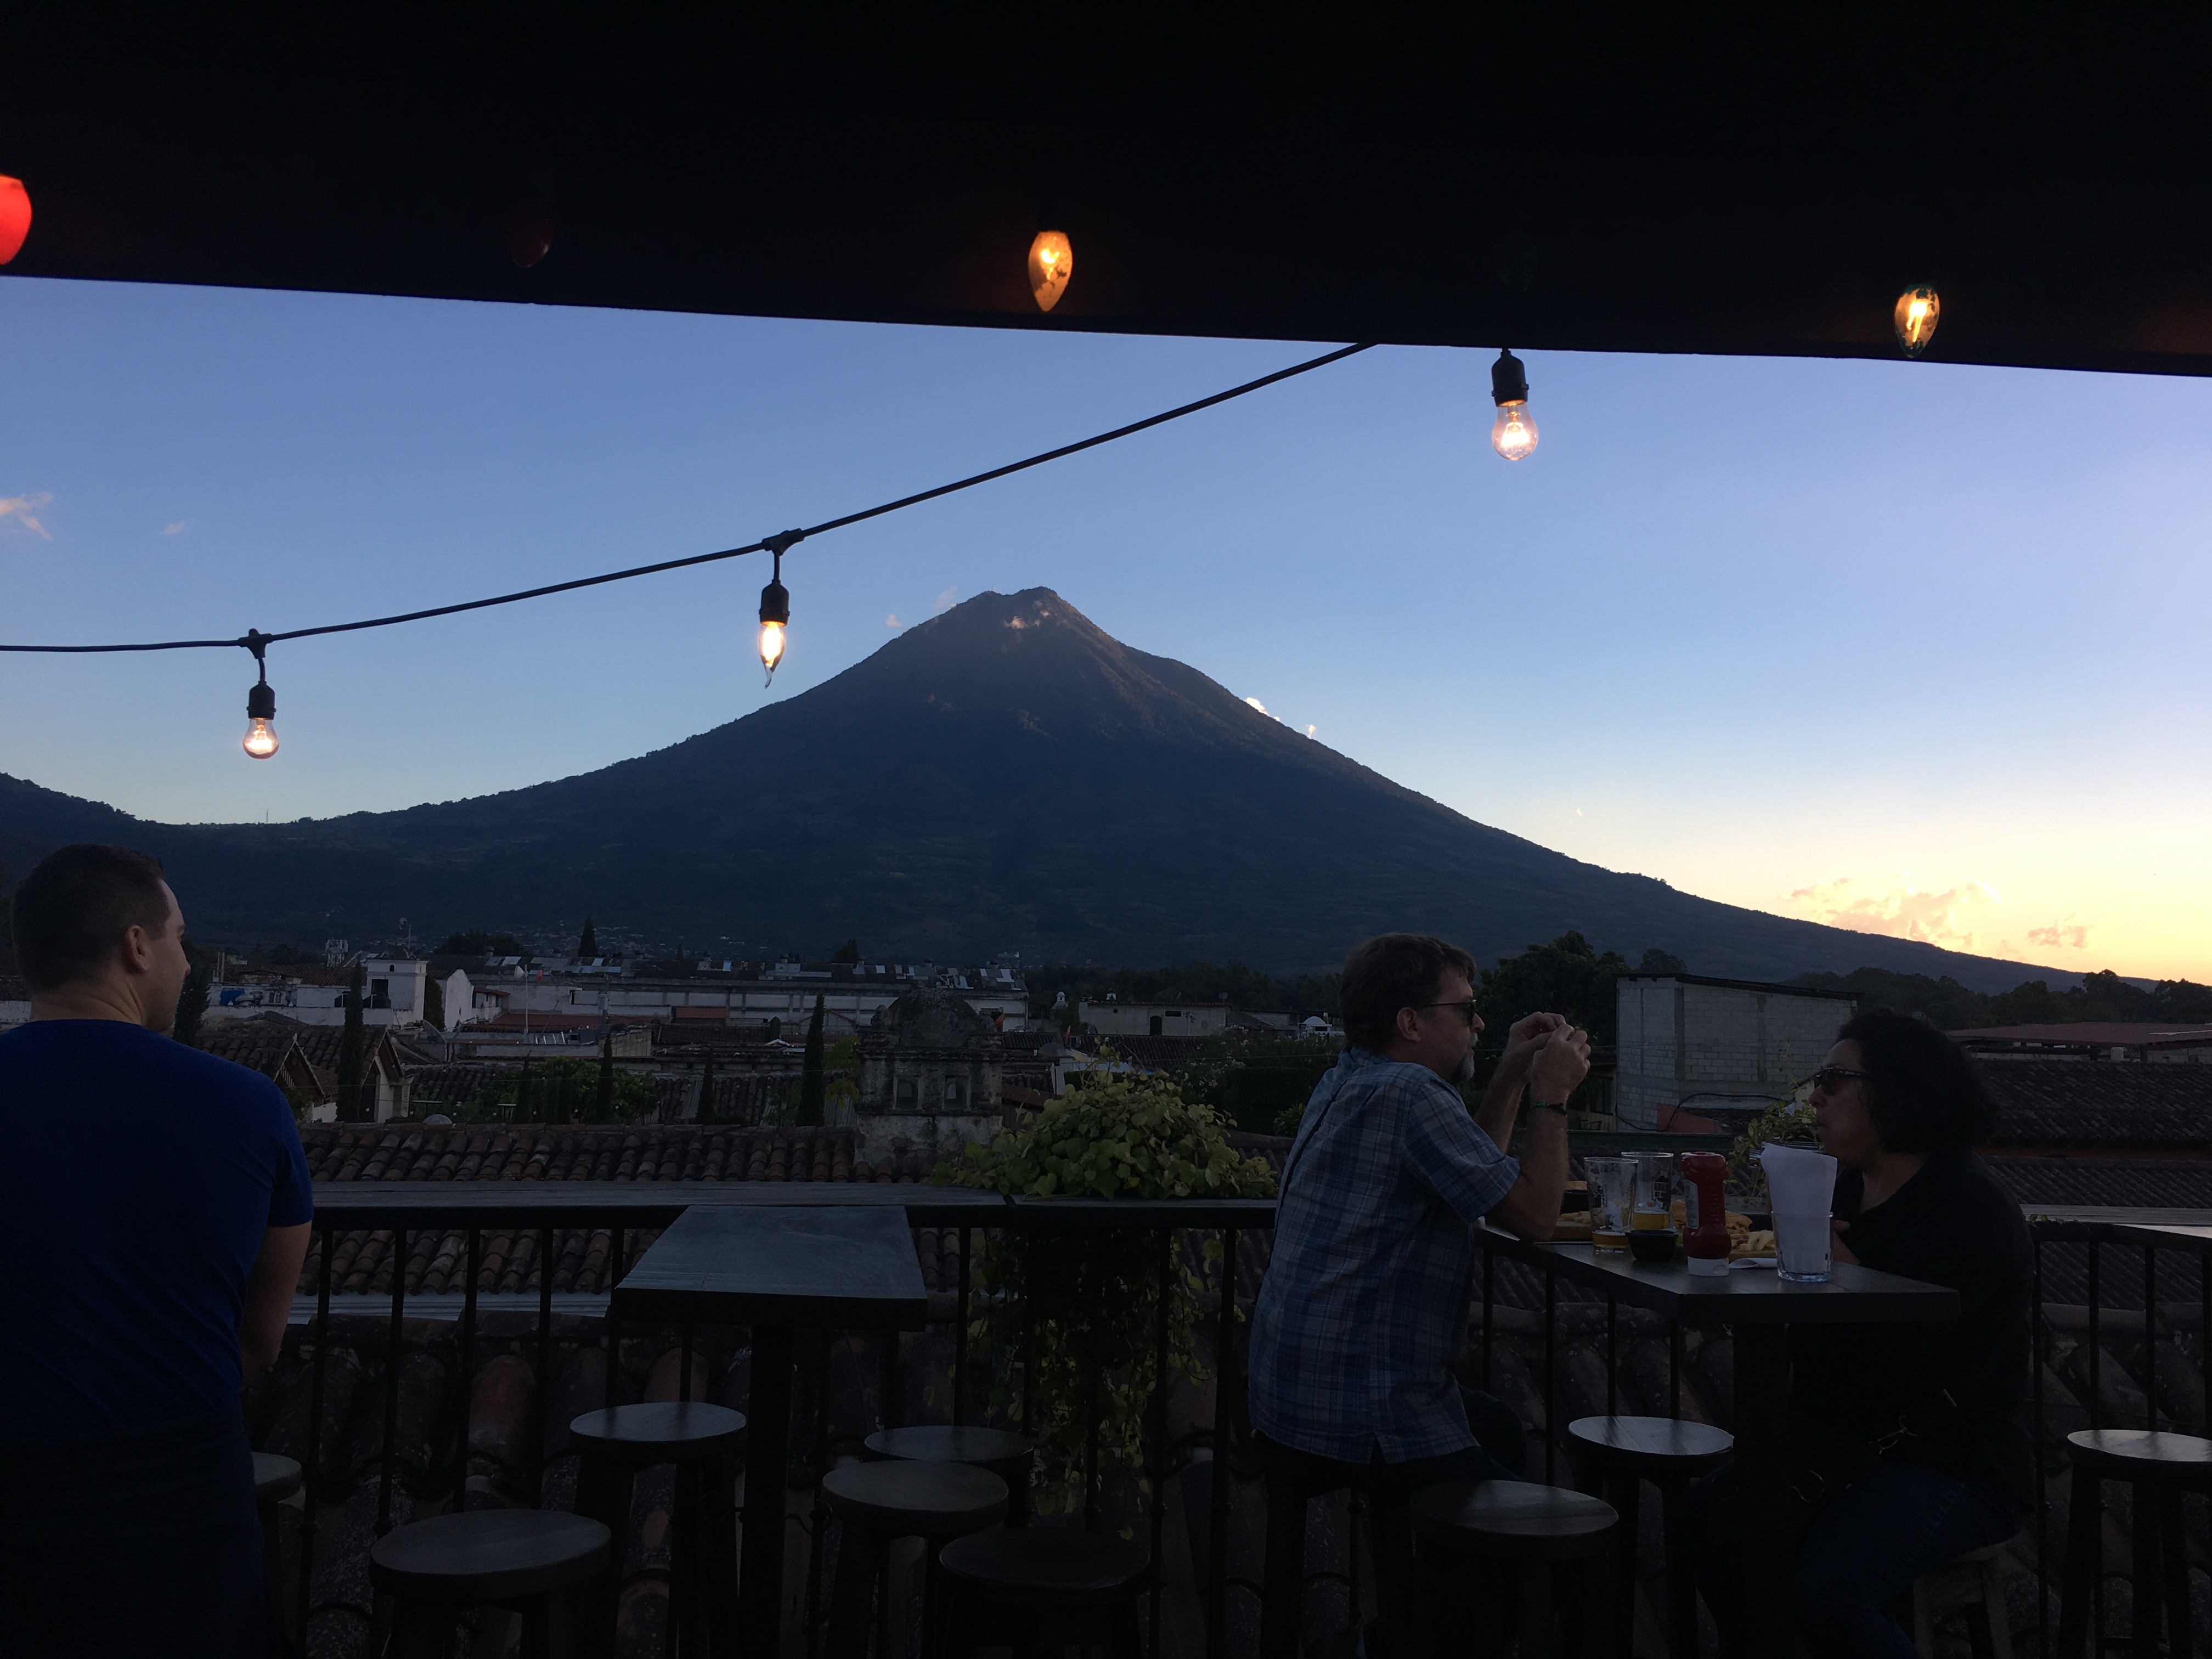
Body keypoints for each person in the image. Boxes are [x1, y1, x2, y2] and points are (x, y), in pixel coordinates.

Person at [0, 844, 313, 1658]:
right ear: (137, 946)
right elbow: (259, 1339)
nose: (183, 960)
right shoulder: (250, 1109)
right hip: (182, 1510)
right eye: (180, 938)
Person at [1680, 1010, 2030, 1658]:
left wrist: (1839, 1270)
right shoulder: (1839, 1191)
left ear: (1899, 1092)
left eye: (1835, 1079)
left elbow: (1905, 1358)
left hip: (1947, 1462)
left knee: (1827, 1591)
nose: (1815, 1096)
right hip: (1837, 1447)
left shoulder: (1968, 1208)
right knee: (1709, 1527)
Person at [1248, 931, 1592, 1489]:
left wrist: (1507, 1073)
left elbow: (1475, 1175)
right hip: (1360, 1407)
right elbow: (1535, 1217)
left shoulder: (1346, 1078)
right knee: (1514, 1468)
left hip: (1291, 1395)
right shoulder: (1410, 1092)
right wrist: (1551, 1096)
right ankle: (1464, 1571)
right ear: (1410, 1023)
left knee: (1498, 1428)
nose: (1477, 1024)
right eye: (1466, 1010)